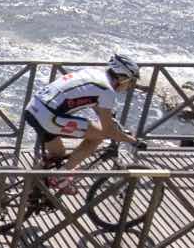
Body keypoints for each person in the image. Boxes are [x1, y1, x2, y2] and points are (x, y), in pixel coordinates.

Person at [23, 53, 141, 194]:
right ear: (122, 78)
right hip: (49, 117)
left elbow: (94, 103)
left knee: (58, 154)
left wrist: (110, 119)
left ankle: (28, 190)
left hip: (33, 109)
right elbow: (108, 131)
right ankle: (60, 177)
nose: (130, 86)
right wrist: (132, 140)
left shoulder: (93, 74)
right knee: (99, 136)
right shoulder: (107, 91)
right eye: (131, 81)